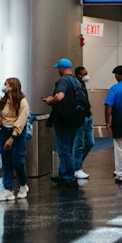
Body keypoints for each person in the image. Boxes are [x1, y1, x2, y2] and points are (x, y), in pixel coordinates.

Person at [41, 58, 86, 186]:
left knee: (63, 149)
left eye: (58, 68)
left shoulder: (63, 80)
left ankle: (69, 177)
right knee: (68, 148)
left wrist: (51, 100)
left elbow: (60, 96)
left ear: (61, 68)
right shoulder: (75, 81)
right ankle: (63, 174)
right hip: (74, 119)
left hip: (64, 119)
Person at [0, 77, 30, 202]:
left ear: (13, 87)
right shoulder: (4, 100)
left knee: (18, 161)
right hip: (4, 131)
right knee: (6, 161)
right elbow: (0, 115)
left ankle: (23, 185)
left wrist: (12, 137)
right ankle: (8, 190)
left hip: (17, 133)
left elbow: (21, 120)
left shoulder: (22, 102)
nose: (4, 87)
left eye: (7, 84)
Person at [72, 65, 96, 180]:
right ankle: (76, 168)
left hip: (88, 115)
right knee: (79, 144)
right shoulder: (76, 85)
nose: (87, 76)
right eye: (84, 74)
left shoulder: (82, 84)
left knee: (90, 142)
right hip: (81, 117)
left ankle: (75, 164)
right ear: (78, 75)